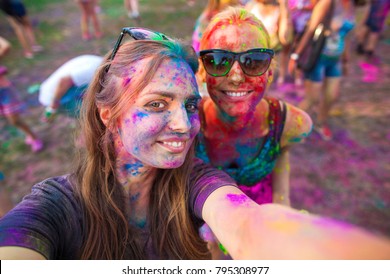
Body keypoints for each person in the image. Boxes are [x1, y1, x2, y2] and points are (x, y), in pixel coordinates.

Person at [0, 28, 390, 260]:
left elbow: (248, 225)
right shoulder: (54, 206)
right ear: (107, 113)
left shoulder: (197, 181)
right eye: (156, 104)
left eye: (189, 105)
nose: (184, 125)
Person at [196, 6, 311, 258]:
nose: (237, 77)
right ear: (203, 71)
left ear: (270, 72)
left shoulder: (290, 124)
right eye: (218, 60)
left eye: (254, 61)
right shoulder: (188, 126)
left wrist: (281, 226)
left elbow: (282, 185)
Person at [288, 0, 355, 140]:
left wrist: (346, 61)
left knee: (331, 96)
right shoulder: (327, 2)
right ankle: (290, 125)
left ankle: (320, 123)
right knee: (312, 98)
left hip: (334, 61)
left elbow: (347, 37)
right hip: (317, 58)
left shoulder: (351, 5)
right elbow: (311, 30)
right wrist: (295, 56)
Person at [0, 36, 43, 152]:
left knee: (15, 120)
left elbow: (6, 46)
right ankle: (29, 135)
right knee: (11, 120)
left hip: (5, 93)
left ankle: (34, 138)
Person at [38, 54, 103, 122]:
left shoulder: (101, 63)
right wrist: (52, 109)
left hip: (70, 89)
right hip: (54, 96)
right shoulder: (92, 71)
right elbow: (64, 81)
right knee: (93, 115)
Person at [244, 0, 292, 86]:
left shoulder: (279, 9)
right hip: (249, 58)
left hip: (268, 60)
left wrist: (284, 8)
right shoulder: (251, 6)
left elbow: (285, 38)